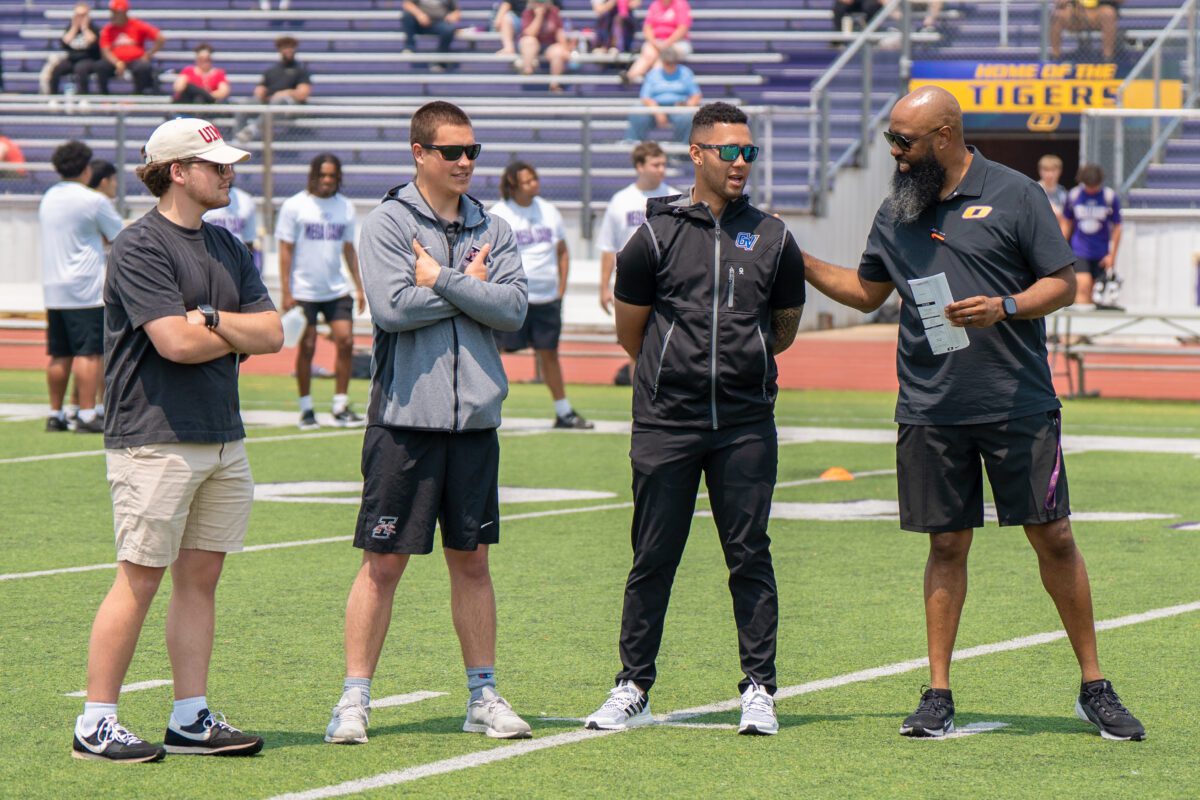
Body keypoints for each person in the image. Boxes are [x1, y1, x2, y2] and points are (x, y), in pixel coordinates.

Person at [801, 86, 1145, 742]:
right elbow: (866, 291)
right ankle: (938, 693)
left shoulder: (1015, 192)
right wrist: (800, 258)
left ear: (945, 135)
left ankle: (1094, 685)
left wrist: (1006, 307)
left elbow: (1061, 283)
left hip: (1017, 402)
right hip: (930, 407)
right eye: (890, 141)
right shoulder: (897, 208)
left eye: (905, 141)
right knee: (947, 543)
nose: (895, 155)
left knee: (1055, 537)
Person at [584, 102, 806, 736]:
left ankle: (759, 688)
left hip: (744, 424)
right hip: (666, 422)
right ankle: (632, 685)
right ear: (698, 154)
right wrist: (676, 370)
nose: (741, 163)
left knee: (749, 555)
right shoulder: (653, 236)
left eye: (749, 152)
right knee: (653, 556)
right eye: (729, 151)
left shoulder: (774, 236)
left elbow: (783, 328)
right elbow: (633, 332)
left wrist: (742, 357)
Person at [73, 117, 282, 763]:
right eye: (214, 163)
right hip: (155, 436)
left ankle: (189, 716)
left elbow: (274, 333)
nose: (229, 172)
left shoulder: (228, 245)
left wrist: (214, 319)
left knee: (200, 579)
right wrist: (225, 331)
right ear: (177, 171)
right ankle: (96, 721)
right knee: (138, 577)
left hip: (221, 433)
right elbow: (175, 343)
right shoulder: (139, 246)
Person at [323, 101, 531, 746]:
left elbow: (515, 309)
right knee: (382, 563)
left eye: (472, 151)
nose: (466, 162)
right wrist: (468, 291)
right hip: (404, 420)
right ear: (420, 154)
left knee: (472, 562)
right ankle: (353, 700)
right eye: (452, 152)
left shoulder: (492, 227)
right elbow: (388, 308)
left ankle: (482, 695)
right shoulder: (385, 222)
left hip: (474, 424)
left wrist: (439, 280)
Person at [491, 161, 592, 429]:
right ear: (513, 185)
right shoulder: (500, 214)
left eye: (535, 179)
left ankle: (564, 411)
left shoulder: (549, 211)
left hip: (547, 298)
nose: (534, 184)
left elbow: (562, 251)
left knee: (549, 353)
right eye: (527, 181)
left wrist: (560, 290)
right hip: (514, 298)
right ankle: (479, 407)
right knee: (493, 351)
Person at [275, 153, 366, 429]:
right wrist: (286, 291)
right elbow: (285, 251)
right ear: (313, 176)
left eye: (332, 176)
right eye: (323, 175)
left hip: (336, 289)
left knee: (346, 341)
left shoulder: (345, 207)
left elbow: (349, 250)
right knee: (308, 347)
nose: (327, 180)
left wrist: (359, 287)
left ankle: (340, 405)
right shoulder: (295, 206)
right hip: (304, 291)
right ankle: (306, 409)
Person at [39, 140, 123, 434]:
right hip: (85, 287)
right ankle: (87, 414)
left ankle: (55, 413)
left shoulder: (49, 196)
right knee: (90, 352)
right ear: (86, 169)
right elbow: (119, 235)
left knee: (59, 353)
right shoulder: (92, 199)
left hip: (54, 286)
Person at [598, 140, 675, 384]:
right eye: (656, 164)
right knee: (635, 345)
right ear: (640, 166)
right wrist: (603, 287)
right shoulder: (621, 200)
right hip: (631, 282)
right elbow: (609, 248)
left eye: (663, 164)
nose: (662, 169)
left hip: (666, 280)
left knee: (669, 344)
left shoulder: (673, 197)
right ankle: (640, 405)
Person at [1062, 163, 1122, 308]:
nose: (1091, 189)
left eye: (1094, 186)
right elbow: (1066, 222)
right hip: (1080, 251)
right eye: (1088, 185)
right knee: (1083, 286)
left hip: (1101, 253)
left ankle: (1088, 329)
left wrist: (1112, 256)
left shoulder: (1109, 197)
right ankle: (1079, 329)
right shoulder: (1074, 195)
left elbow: (1117, 227)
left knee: (1095, 294)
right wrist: (1062, 249)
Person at [236, 36, 312, 143]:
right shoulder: (271, 71)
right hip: (270, 103)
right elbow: (261, 88)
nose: (289, 50)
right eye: (285, 47)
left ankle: (252, 129)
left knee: (278, 101)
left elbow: (303, 93)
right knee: (243, 104)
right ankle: (239, 139)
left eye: (291, 47)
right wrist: (260, 92)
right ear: (280, 49)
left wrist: (285, 93)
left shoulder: (300, 70)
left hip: (289, 106)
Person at [624, 46, 701, 144]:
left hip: (678, 107)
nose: (669, 65)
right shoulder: (653, 74)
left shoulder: (685, 72)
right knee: (637, 112)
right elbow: (645, 97)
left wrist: (687, 105)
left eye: (672, 63)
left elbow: (696, 95)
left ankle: (681, 151)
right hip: (655, 106)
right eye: (667, 63)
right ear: (662, 62)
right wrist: (657, 111)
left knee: (687, 118)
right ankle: (634, 144)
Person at [89, 0, 164, 95]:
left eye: (117, 12)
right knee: (100, 66)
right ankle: (104, 97)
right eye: (113, 12)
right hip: (115, 60)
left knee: (143, 67)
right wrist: (117, 62)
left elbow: (160, 38)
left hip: (135, 60)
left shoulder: (137, 25)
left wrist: (149, 54)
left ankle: (138, 96)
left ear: (124, 12)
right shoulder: (108, 29)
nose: (114, 15)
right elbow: (105, 50)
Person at [623, 0, 691, 83]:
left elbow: (682, 29)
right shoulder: (655, 5)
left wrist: (666, 43)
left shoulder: (681, 4)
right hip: (657, 42)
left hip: (677, 42)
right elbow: (647, 28)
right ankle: (632, 76)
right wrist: (654, 42)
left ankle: (643, 78)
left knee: (661, 57)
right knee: (649, 53)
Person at [202, 175, 258, 268]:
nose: (228, 172)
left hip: (237, 263)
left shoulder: (246, 200)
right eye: (222, 167)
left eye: (231, 166)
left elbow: (249, 241)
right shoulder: (203, 198)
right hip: (209, 261)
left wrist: (248, 268)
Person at [45, 3, 101, 95]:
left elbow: (94, 42)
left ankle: (84, 97)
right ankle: (53, 96)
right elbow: (64, 42)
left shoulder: (94, 28)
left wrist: (84, 28)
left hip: (89, 58)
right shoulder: (70, 28)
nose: (80, 18)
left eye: (83, 15)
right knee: (56, 69)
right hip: (72, 58)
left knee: (81, 69)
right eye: (78, 15)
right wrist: (74, 27)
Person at [518, 0, 569, 93]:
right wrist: (539, 16)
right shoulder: (527, 13)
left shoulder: (554, 12)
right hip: (533, 47)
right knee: (529, 41)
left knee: (558, 52)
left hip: (549, 46)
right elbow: (530, 33)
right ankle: (527, 69)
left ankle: (554, 85)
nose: (541, 4)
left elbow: (559, 32)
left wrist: (564, 48)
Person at [1051, 0, 1122, 62]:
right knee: (1057, 15)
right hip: (1076, 11)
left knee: (1108, 13)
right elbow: (1059, 2)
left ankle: (1108, 58)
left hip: (1098, 11)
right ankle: (1055, 57)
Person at [401, 0, 461, 68]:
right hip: (419, 23)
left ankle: (440, 61)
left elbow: (456, 11)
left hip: (439, 23)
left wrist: (453, 16)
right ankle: (410, 47)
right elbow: (407, 4)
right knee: (407, 16)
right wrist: (419, 14)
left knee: (449, 29)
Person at [1037, 153, 1068, 221]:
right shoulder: (1035, 190)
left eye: (1053, 170)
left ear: (1060, 171)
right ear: (1040, 170)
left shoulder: (1063, 192)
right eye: (1046, 170)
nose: (1050, 174)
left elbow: (1067, 217)